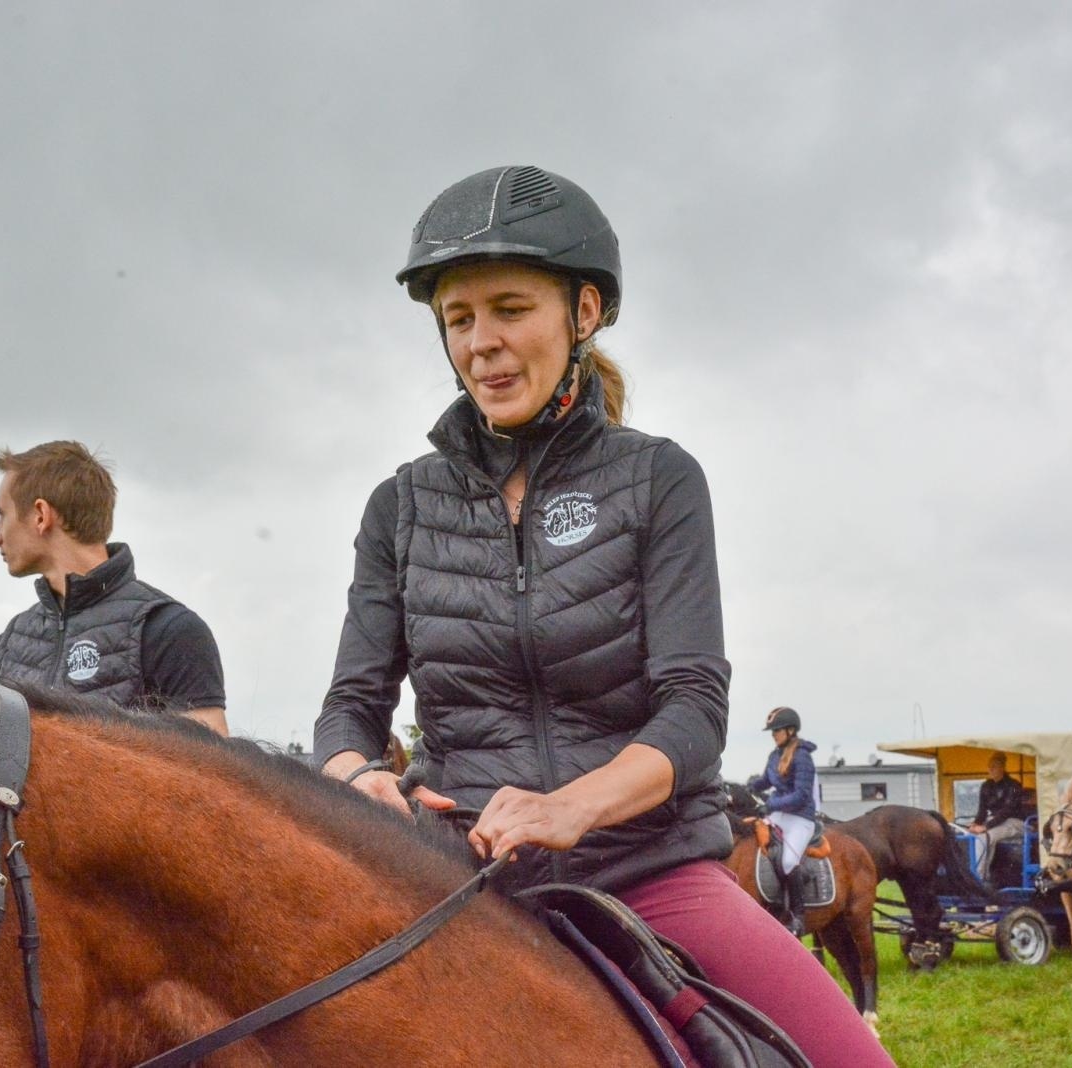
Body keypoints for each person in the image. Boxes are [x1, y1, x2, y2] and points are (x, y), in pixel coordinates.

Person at [313, 166, 890, 1066]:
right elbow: (349, 708)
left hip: (649, 874)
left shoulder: (659, 479)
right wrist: (355, 777)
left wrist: (570, 808)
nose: (482, 343)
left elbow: (694, 709)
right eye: (459, 320)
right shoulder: (401, 507)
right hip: (455, 876)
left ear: (583, 312)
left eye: (510, 310)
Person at [0, 440, 228, 735]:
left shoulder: (169, 630)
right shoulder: (7, 646)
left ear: (41, 515)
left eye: (2, 514)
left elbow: (209, 761)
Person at [745, 706, 820, 936]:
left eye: (776, 730)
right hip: (779, 815)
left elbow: (801, 795)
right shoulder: (775, 755)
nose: (773, 735)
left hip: (800, 818)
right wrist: (749, 786)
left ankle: (798, 916)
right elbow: (766, 781)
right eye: (773, 731)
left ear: (790, 731)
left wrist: (771, 805)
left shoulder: (803, 757)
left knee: (788, 861)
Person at [968, 752, 1027, 885]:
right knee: (968, 834)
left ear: (1003, 767)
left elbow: (1007, 811)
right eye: (989, 766)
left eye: (994, 766)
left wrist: (985, 827)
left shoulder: (1014, 785)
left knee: (984, 837)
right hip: (995, 821)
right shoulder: (986, 786)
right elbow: (982, 810)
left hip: (1015, 822)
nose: (991, 769)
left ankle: (979, 880)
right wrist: (975, 824)